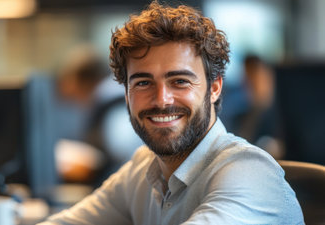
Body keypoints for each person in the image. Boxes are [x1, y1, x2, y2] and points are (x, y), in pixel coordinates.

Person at [38, 2, 304, 224]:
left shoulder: (249, 173)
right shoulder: (143, 168)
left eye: (180, 81)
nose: (161, 100)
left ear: (214, 88)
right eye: (142, 83)